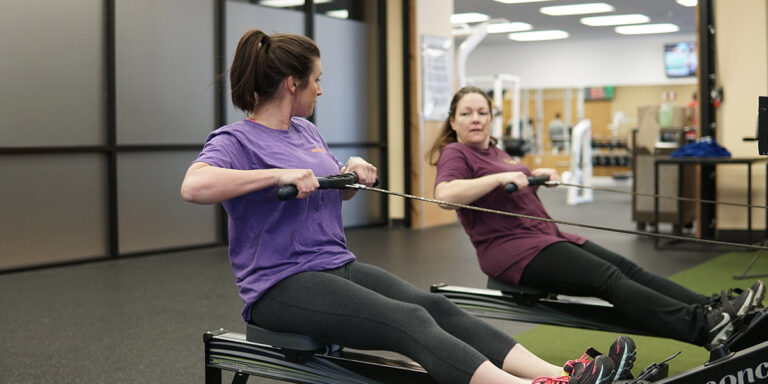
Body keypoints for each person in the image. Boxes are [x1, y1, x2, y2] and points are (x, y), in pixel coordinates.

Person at [181, 30, 629, 384]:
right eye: (317, 79)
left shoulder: (305, 132)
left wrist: (352, 171)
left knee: (437, 308)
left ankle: (560, 375)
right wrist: (276, 176)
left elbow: (334, 188)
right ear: (292, 83)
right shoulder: (236, 139)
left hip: (335, 265)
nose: (321, 89)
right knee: (408, 320)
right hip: (280, 286)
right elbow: (194, 186)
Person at [428, 86, 766, 350]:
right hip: (511, 251)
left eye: (482, 112)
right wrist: (500, 179)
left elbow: (509, 192)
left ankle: (717, 308)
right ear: (453, 121)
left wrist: (536, 176)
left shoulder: (498, 152)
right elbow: (445, 195)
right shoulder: (456, 153)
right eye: (466, 113)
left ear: (491, 117)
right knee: (608, 279)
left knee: (630, 269)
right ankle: (705, 326)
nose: (476, 118)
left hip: (545, 237)